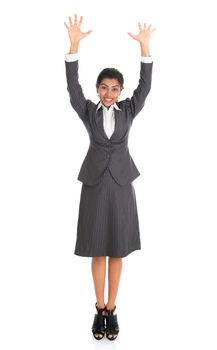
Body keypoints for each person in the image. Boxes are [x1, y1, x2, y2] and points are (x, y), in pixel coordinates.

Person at [64, 13, 156, 341]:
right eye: (104, 87)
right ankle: (98, 306)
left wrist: (145, 50)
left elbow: (145, 88)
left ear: (120, 91)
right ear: (98, 89)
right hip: (93, 183)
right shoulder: (88, 110)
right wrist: (73, 46)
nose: (108, 93)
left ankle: (112, 310)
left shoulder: (129, 109)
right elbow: (73, 88)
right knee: (96, 249)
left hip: (120, 184)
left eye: (114, 88)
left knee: (117, 249)